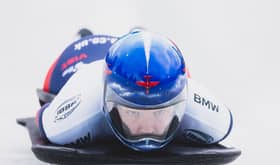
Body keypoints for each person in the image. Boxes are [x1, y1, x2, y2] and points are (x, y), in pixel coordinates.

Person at [35, 29, 232, 151]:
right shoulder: (77, 111)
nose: (147, 129)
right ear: (106, 101)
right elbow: (44, 119)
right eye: (132, 112)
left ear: (182, 101)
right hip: (84, 57)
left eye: (160, 112)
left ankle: (138, 34)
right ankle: (86, 37)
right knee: (53, 85)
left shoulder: (210, 116)